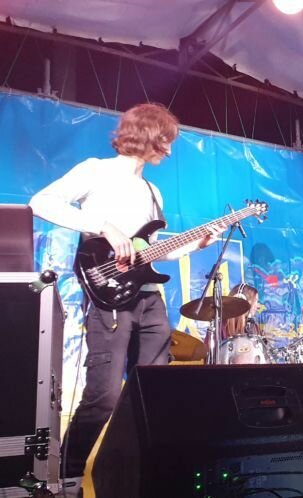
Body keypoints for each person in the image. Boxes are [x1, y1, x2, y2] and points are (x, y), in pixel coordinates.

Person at [29, 103, 223, 480]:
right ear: (148, 135)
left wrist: (195, 244)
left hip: (150, 299)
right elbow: (40, 203)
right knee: (104, 396)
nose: (169, 149)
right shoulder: (96, 170)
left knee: (154, 392)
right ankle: (66, 476)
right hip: (109, 300)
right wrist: (104, 226)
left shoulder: (153, 191)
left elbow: (151, 253)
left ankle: (140, 475)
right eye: (165, 139)